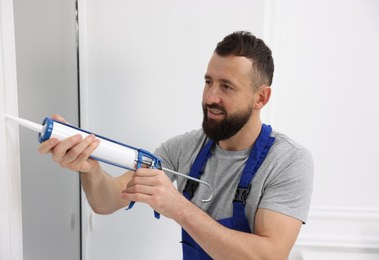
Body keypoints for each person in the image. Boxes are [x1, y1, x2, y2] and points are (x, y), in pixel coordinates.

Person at [39, 31, 313, 259]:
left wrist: (177, 206)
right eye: (208, 82)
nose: (210, 97)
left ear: (261, 98)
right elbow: (108, 200)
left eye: (226, 87)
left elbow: (269, 256)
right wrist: (90, 169)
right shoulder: (184, 149)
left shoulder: (288, 161)